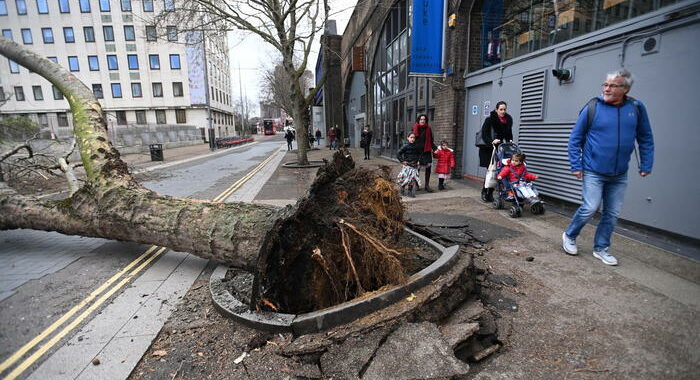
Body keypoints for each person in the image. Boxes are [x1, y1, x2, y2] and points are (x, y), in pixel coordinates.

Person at [562, 69, 654, 266]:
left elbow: (645, 137)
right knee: (590, 207)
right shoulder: (593, 107)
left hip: (619, 173)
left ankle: (601, 248)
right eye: (605, 84)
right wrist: (575, 165)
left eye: (613, 85)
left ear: (626, 88)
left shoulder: (636, 108)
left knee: (611, 214)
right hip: (593, 170)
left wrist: (646, 163)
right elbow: (575, 139)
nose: (607, 88)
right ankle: (569, 235)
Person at [478, 101, 513, 202]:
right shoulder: (489, 120)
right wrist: (492, 141)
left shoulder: (508, 120)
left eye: (504, 109)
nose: (503, 111)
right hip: (488, 150)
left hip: (500, 150)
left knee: (498, 171)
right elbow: (484, 134)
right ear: (496, 109)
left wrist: (510, 141)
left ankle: (490, 192)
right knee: (491, 172)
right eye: (501, 109)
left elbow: (509, 134)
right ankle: (485, 192)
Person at [412, 114, 437, 192]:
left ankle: (427, 186)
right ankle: (417, 185)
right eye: (421, 119)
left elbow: (431, 141)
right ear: (418, 120)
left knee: (428, 169)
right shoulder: (415, 128)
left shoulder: (428, 129)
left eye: (424, 119)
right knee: (417, 169)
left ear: (426, 121)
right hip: (417, 152)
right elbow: (411, 140)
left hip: (426, 151)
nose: (422, 120)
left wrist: (435, 148)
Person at [396, 133, 421, 198]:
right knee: (405, 178)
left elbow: (419, 154)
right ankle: (402, 188)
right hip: (407, 165)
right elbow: (398, 153)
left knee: (412, 179)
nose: (412, 139)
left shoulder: (417, 146)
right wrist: (402, 161)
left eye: (414, 138)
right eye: (411, 137)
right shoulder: (405, 146)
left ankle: (410, 192)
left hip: (414, 165)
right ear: (408, 138)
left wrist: (418, 161)